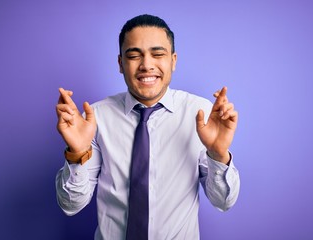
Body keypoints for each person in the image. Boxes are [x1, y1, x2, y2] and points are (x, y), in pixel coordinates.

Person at [55, 14, 240, 240]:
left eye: (158, 54)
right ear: (120, 64)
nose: (146, 65)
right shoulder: (95, 119)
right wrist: (77, 154)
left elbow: (223, 202)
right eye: (134, 55)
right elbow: (71, 205)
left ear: (173, 60)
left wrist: (218, 154)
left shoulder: (199, 114)